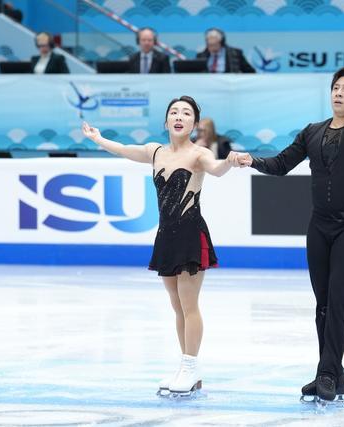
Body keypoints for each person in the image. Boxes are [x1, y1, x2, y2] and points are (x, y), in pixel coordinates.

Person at [236, 25, 344, 402]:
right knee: (322, 305)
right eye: (335, 87)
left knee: (338, 302)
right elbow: (281, 164)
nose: (338, 92)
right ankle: (332, 372)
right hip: (319, 227)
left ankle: (327, 373)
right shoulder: (312, 132)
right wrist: (252, 160)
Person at [81, 96, 239, 396]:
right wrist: (98, 139)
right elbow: (124, 149)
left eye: (186, 113)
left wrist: (229, 162)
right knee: (177, 306)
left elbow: (216, 169)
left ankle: (191, 366)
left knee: (189, 305)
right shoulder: (155, 151)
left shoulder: (199, 154)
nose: (179, 117)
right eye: (174, 112)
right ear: (166, 122)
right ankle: (186, 366)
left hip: (191, 234)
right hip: (166, 235)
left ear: (194, 123)